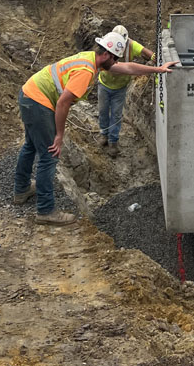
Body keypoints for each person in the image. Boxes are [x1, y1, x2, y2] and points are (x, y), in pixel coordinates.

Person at [14, 31, 175, 224]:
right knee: (49, 156)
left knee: (31, 145)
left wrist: (158, 69)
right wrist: (59, 135)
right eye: (114, 57)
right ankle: (45, 211)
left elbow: (127, 67)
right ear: (106, 54)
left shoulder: (92, 59)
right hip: (39, 103)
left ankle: (21, 190)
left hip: (29, 95)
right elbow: (63, 103)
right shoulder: (86, 71)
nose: (116, 62)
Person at [98, 24, 155, 157]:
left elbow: (147, 53)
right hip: (104, 84)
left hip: (120, 88)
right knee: (103, 111)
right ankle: (103, 135)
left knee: (117, 115)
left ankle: (113, 141)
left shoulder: (131, 45)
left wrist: (155, 58)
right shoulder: (107, 42)